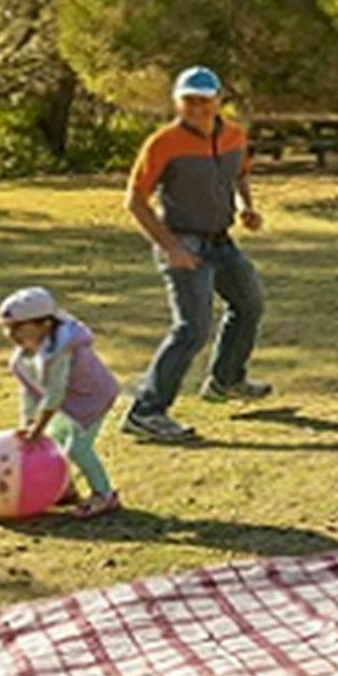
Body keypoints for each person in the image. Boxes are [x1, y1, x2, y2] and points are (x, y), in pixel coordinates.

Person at [121, 65, 272, 446]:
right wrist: (171, 247)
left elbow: (240, 175)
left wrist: (245, 207)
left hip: (222, 241)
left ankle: (226, 381)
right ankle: (147, 412)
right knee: (192, 329)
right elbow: (135, 201)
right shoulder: (164, 143)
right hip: (184, 243)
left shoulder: (235, 136)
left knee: (249, 303)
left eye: (205, 100)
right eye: (189, 100)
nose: (198, 108)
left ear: (219, 100)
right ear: (177, 102)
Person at [0, 285, 122, 517]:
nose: (10, 335)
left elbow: (54, 392)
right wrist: (27, 423)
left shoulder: (61, 350)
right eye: (7, 328)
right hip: (69, 401)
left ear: (44, 324)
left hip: (92, 399)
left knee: (78, 448)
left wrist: (38, 427)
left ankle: (105, 495)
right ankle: (64, 489)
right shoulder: (27, 353)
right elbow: (30, 390)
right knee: (53, 443)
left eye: (18, 328)